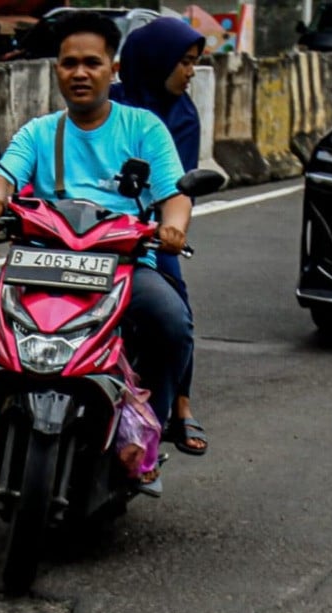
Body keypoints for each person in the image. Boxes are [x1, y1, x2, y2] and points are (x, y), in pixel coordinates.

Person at [0, 11, 195, 475]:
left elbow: (174, 195)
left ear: (112, 69)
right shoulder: (39, 132)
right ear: (56, 70)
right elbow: (2, 178)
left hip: (122, 263)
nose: (80, 73)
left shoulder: (144, 129)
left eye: (91, 62)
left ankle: (152, 425)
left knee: (171, 322)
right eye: (69, 64)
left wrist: (173, 226)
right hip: (43, 259)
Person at [109, 17, 209, 457]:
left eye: (193, 63)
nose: (190, 72)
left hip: (147, 231)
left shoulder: (182, 116)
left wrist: (166, 226)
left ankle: (178, 408)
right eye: (183, 62)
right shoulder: (106, 104)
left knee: (176, 311)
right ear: (155, 62)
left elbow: (175, 186)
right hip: (88, 229)